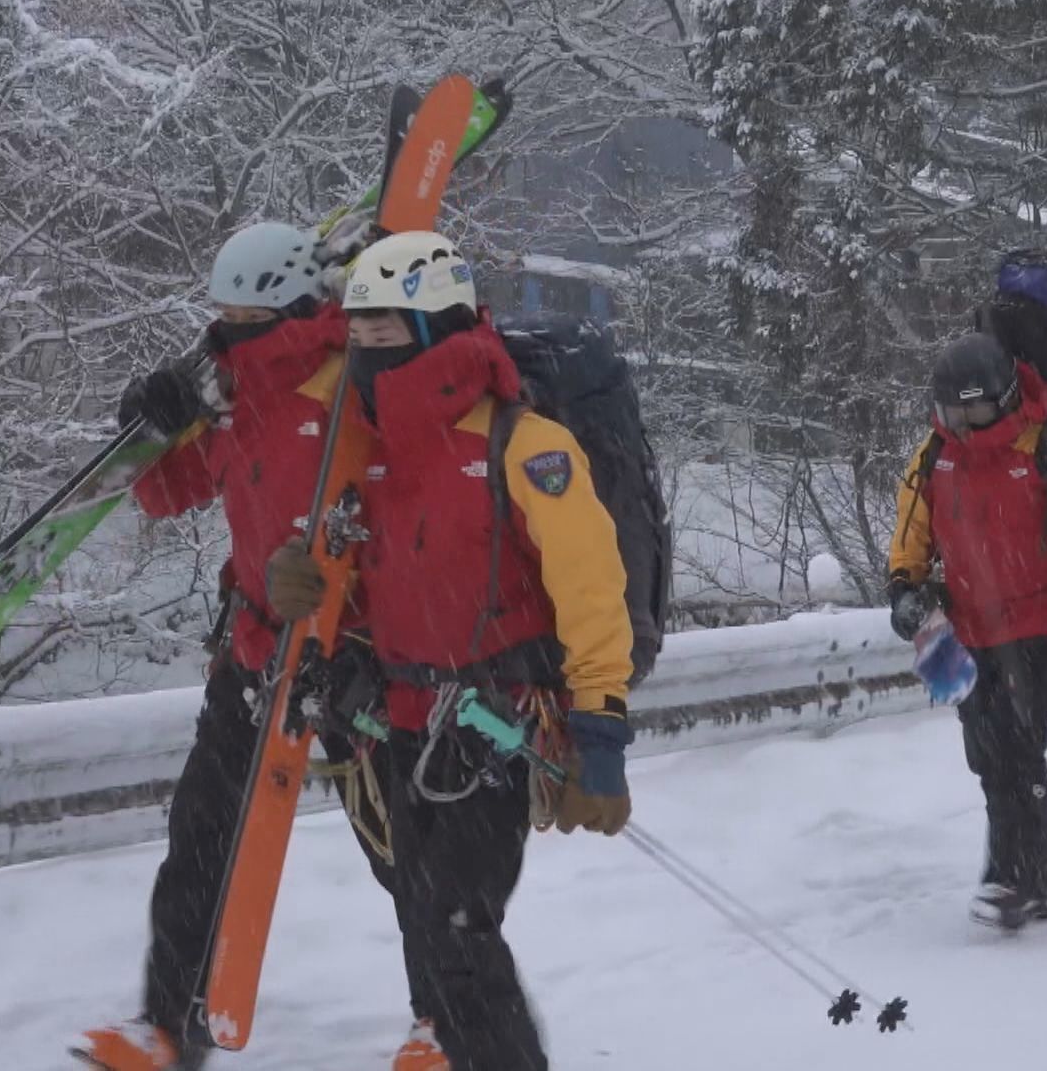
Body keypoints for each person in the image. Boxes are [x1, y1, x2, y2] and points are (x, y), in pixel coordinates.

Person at [267, 230, 636, 1071]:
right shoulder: (369, 452)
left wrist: (600, 730)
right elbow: (368, 582)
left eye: (385, 332)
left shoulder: (523, 444)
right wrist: (304, 583)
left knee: (457, 929)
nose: (367, 351)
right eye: (358, 333)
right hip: (400, 725)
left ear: (437, 330)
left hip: (496, 724)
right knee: (424, 918)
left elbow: (591, 590)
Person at [74, 221, 404, 1071]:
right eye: (221, 315)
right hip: (256, 651)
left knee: (403, 844)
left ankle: (452, 1021)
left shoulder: (353, 385)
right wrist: (149, 421)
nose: (226, 331)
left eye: (245, 318)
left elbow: (418, 511)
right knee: (201, 834)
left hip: (358, 655)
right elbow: (167, 493)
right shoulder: (233, 399)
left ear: (291, 311)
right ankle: (168, 1026)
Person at [887, 332, 1047, 932]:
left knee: (1016, 748)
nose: (959, 426)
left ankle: (1014, 877)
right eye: (949, 412)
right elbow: (912, 531)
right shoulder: (934, 457)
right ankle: (1036, 882)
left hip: (1038, 625)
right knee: (986, 753)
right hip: (966, 629)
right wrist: (903, 587)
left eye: (970, 412)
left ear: (1004, 399)